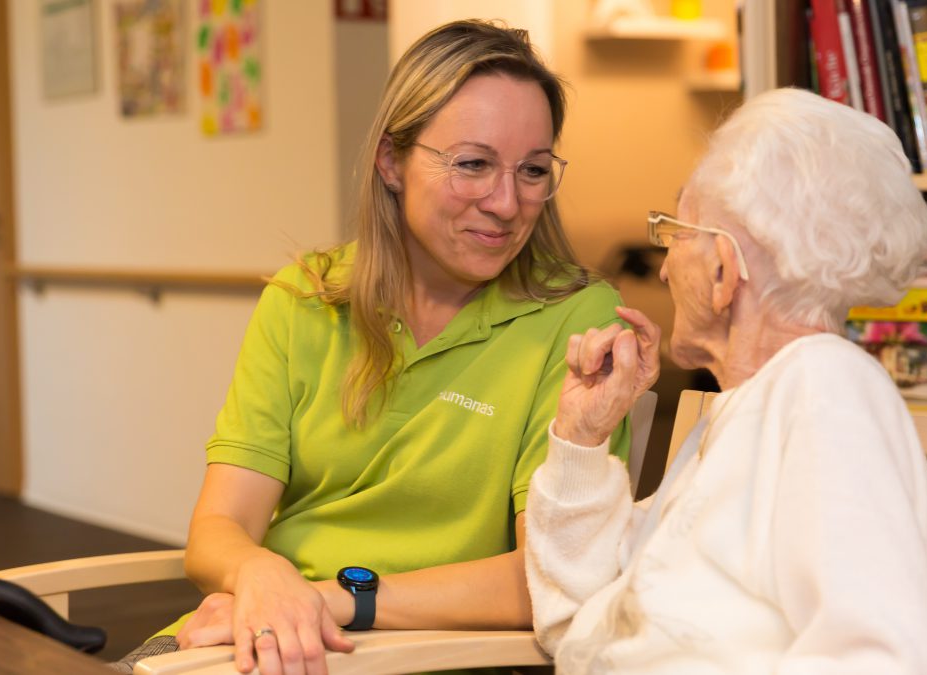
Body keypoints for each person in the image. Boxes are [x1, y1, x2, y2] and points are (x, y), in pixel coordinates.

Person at [108, 19, 660, 675]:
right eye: (473, 163)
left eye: (534, 170)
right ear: (391, 161)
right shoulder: (303, 299)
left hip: (421, 650)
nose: (507, 202)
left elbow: (547, 576)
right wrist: (259, 574)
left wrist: (328, 599)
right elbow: (218, 529)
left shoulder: (579, 320)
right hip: (257, 632)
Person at [525, 87, 927, 673]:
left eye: (676, 232)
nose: (667, 265)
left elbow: (882, 657)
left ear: (724, 272)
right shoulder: (739, 416)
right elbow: (577, 624)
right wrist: (582, 435)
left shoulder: (825, 388)